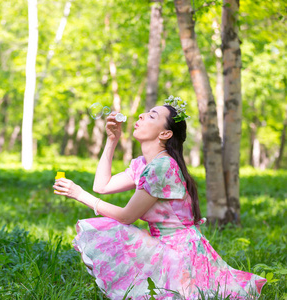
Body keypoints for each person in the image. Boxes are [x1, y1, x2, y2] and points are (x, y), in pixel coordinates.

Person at [53, 96, 266, 299]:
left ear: (165, 134)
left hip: (180, 254)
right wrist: (112, 140)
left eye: (152, 116)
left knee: (113, 227)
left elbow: (127, 217)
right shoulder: (144, 164)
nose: (141, 116)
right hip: (164, 244)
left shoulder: (162, 166)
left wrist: (79, 194)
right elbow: (102, 186)